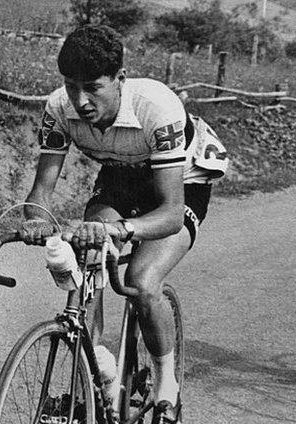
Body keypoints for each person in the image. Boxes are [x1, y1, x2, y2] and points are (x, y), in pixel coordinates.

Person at [20, 25, 227, 424]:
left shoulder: (156, 107)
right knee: (89, 255)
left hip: (179, 183)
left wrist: (122, 230)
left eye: (94, 87)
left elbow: (169, 212)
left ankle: (167, 382)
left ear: (120, 79)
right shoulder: (58, 106)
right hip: (119, 175)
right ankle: (99, 372)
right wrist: (35, 221)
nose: (81, 101)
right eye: (70, 86)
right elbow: (40, 190)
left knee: (142, 280)